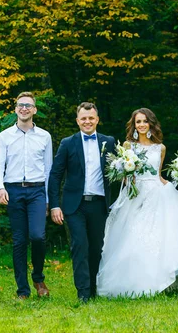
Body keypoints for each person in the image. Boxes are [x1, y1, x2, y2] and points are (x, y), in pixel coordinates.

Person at [96, 108, 178, 297]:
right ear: (134, 125)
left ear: (150, 124)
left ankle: (164, 281)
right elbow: (125, 177)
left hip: (157, 194)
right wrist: (127, 177)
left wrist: (173, 183)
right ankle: (137, 282)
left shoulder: (161, 148)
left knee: (163, 237)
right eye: (138, 122)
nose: (141, 125)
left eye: (145, 121)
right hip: (136, 194)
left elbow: (158, 175)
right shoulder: (128, 146)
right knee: (134, 238)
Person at [48, 102, 116, 303]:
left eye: (91, 118)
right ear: (78, 121)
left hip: (99, 204)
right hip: (74, 205)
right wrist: (54, 205)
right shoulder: (68, 143)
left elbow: (118, 172)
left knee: (96, 248)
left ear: (97, 120)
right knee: (80, 246)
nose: (87, 121)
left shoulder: (109, 142)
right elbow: (55, 175)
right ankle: (83, 292)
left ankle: (94, 289)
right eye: (83, 118)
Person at [0, 92, 53, 299]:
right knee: (19, 240)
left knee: (37, 236)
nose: (24, 108)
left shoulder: (44, 136)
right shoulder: (4, 136)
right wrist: (0, 188)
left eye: (28, 105)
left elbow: (49, 169)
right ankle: (22, 289)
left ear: (35, 110)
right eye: (20, 105)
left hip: (36, 190)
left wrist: (47, 200)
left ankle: (38, 277)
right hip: (14, 190)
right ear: (15, 109)